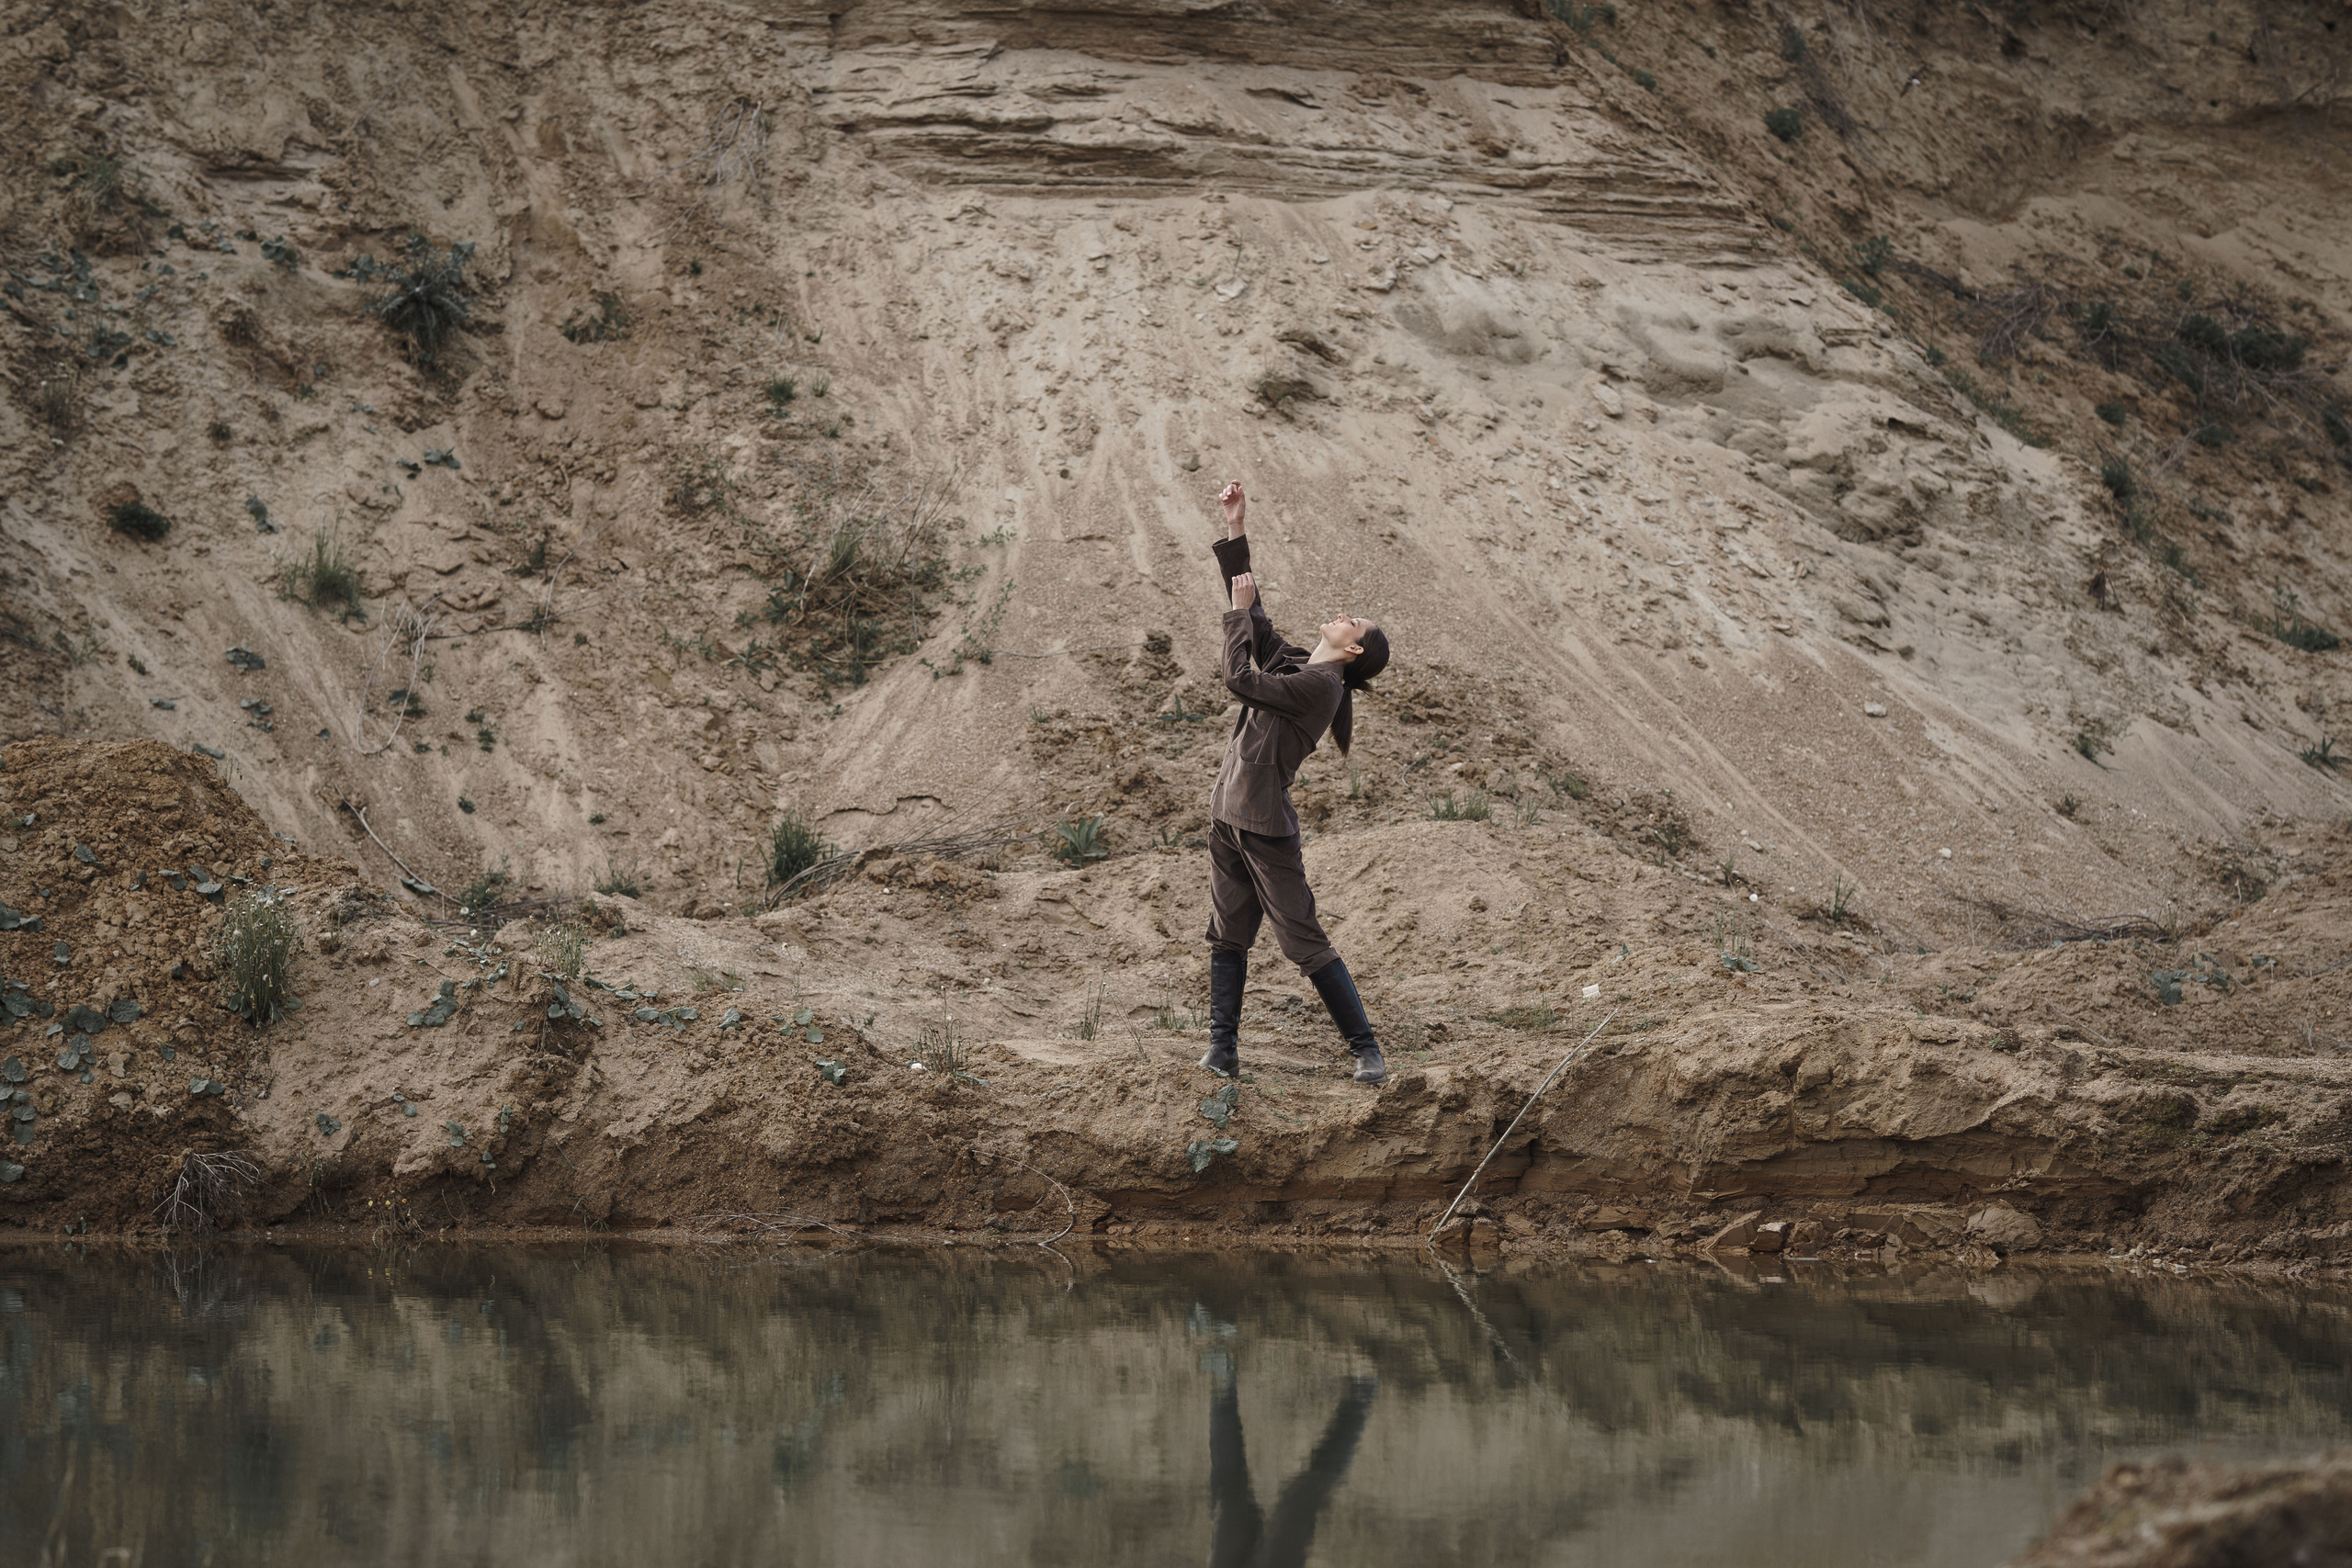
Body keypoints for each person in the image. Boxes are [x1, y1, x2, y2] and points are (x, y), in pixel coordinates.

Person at [1201, 480, 1390, 1086]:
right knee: (1226, 934)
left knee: (1302, 940)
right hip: (1231, 814)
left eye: (1351, 620)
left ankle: (1368, 1052)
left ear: (1353, 646)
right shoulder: (1306, 665)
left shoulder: (1322, 687)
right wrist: (1237, 526)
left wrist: (1237, 615)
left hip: (1263, 826)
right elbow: (1256, 623)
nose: (1341, 615)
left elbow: (1238, 674)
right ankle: (1223, 1050)